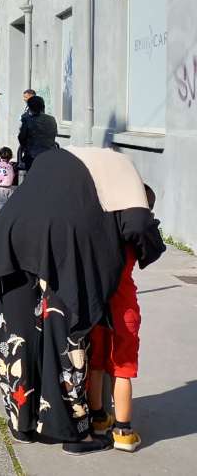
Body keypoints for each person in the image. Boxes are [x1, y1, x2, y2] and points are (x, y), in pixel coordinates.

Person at [0, 147, 164, 455]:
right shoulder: (126, 173)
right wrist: (151, 247)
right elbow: (137, 225)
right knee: (65, 336)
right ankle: (74, 432)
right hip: (62, 247)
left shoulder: (66, 163)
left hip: (13, 233)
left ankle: (23, 424)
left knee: (19, 335)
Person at [86, 185, 161, 453]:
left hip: (98, 306)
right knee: (122, 369)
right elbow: (150, 249)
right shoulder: (134, 234)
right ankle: (123, 431)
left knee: (95, 364)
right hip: (124, 308)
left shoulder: (102, 231)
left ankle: (97, 420)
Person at [17, 95, 58, 172]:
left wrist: (25, 147)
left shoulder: (27, 119)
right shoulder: (51, 119)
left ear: (29, 107)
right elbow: (54, 134)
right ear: (43, 106)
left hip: (33, 156)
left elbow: (22, 137)